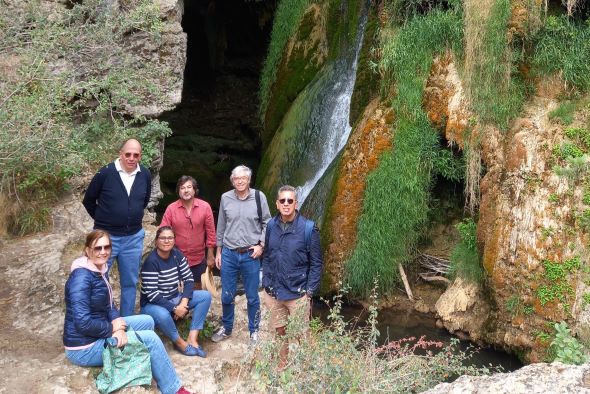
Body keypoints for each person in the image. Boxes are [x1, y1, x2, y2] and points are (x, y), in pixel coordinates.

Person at [63, 230, 193, 394]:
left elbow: (109, 305)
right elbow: (83, 323)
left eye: (106, 247)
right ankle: (173, 389)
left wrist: (116, 322)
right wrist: (114, 329)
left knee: (147, 321)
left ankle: (144, 359)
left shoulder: (98, 270)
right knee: (151, 339)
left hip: (98, 332)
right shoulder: (81, 278)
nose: (103, 252)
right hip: (84, 348)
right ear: (88, 250)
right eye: (97, 248)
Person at [82, 138, 151, 316]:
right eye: (128, 154)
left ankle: (125, 323)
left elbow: (143, 201)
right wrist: (103, 222)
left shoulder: (144, 174)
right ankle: (99, 321)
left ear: (140, 156)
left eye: (136, 155)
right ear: (121, 154)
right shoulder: (105, 173)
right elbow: (89, 200)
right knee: (97, 279)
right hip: (106, 237)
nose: (131, 158)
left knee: (130, 283)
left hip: (133, 238)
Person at [261, 185, 323, 369]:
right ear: (277, 204)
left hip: (297, 293)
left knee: (301, 334)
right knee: (279, 331)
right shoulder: (271, 225)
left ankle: (309, 369)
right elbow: (268, 255)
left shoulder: (308, 229)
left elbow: (316, 263)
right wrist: (266, 282)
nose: (286, 204)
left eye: (290, 200)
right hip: (273, 292)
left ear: (296, 203)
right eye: (283, 201)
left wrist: (309, 292)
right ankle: (282, 365)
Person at [212, 165, 271, 346]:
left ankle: (254, 332)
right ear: (232, 181)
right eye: (236, 179)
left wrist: (261, 245)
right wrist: (218, 251)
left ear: (249, 180)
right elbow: (221, 225)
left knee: (252, 296)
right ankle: (227, 327)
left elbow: (267, 223)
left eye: (243, 178)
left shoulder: (259, 197)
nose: (239, 181)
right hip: (229, 253)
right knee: (227, 294)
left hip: (250, 254)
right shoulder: (225, 198)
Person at [140, 226, 212, 358]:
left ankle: (192, 339)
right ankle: (179, 343)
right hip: (152, 305)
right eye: (162, 238)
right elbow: (152, 294)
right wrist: (174, 309)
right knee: (162, 314)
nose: (166, 241)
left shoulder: (177, 255)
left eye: (170, 238)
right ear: (156, 241)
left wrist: (183, 303)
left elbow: (189, 279)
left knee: (205, 296)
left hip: (175, 298)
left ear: (174, 240)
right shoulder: (151, 262)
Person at [160, 175, 216, 290]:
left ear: (194, 190)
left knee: (197, 291)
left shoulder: (205, 207)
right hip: (175, 258)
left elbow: (211, 233)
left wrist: (210, 256)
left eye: (189, 187)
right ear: (178, 191)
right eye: (182, 188)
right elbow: (163, 232)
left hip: (198, 258)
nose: (186, 190)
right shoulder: (171, 208)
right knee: (175, 290)